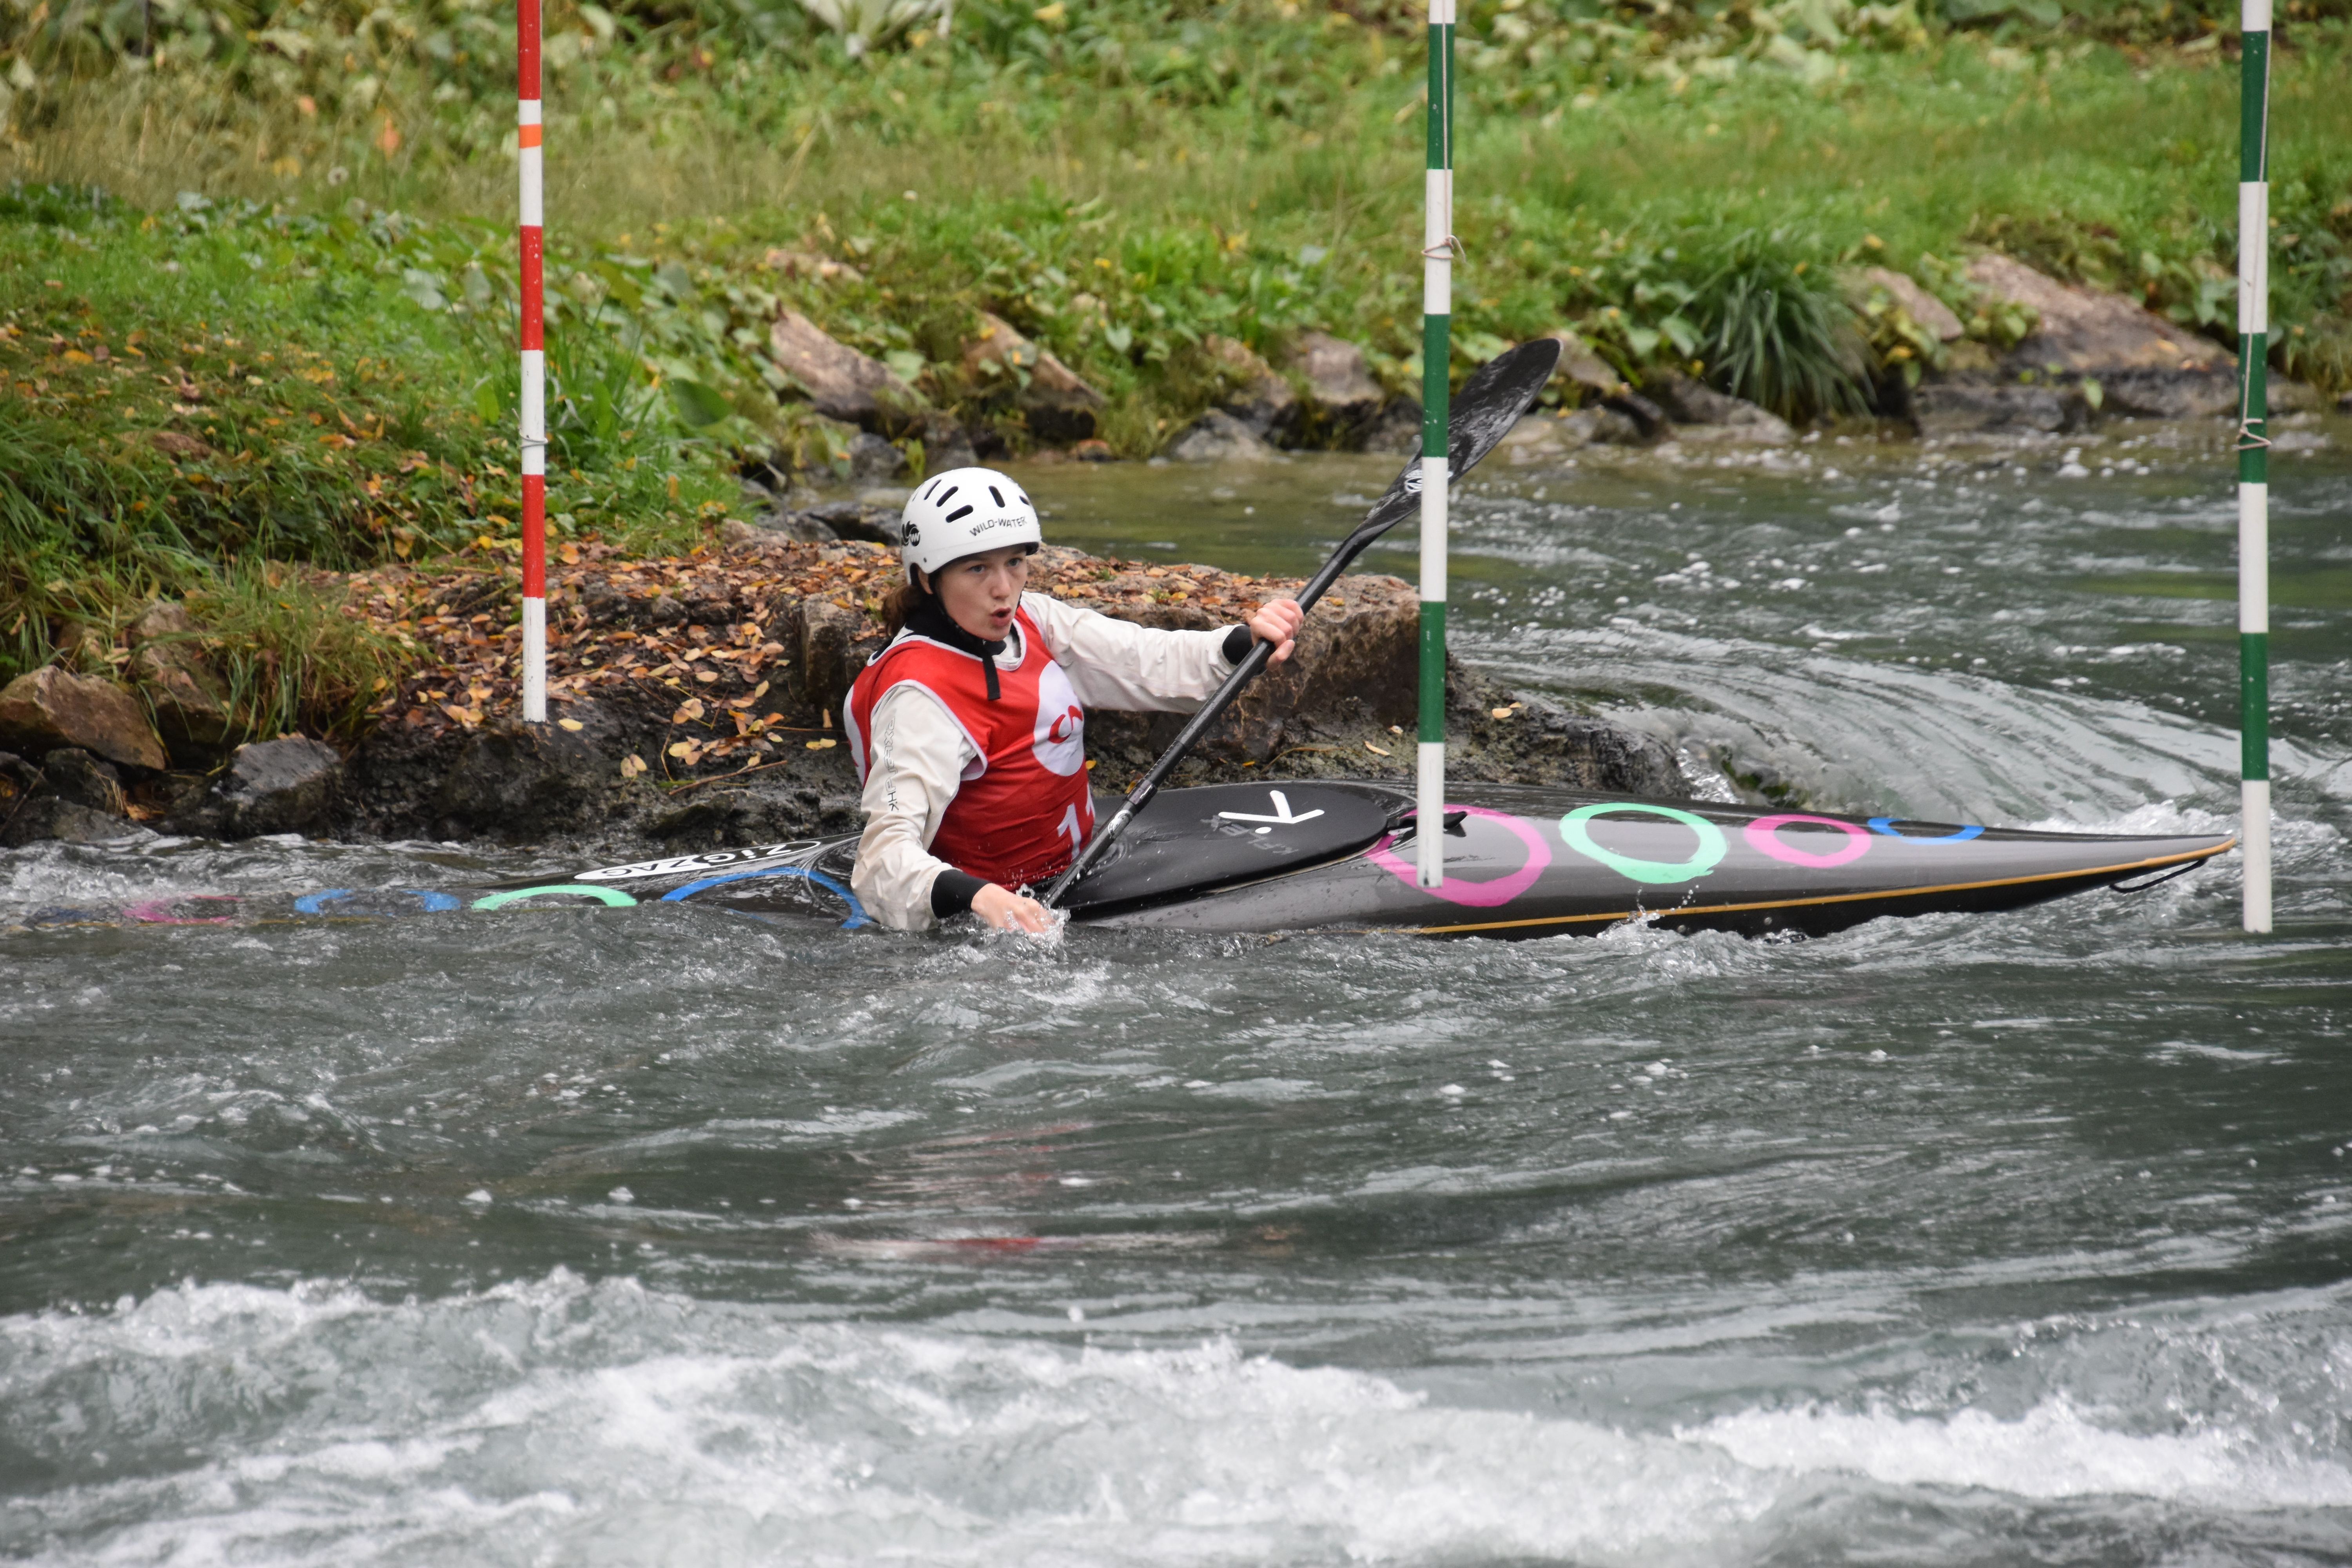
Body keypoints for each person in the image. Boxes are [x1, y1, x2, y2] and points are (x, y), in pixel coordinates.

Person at [846, 467, 1305, 934]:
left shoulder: (1031, 619)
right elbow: (883, 860)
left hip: (1080, 866)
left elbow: (1141, 659)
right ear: (927, 579)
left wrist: (1240, 645)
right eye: (977, 568)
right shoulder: (917, 697)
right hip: (984, 916)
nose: (1004, 588)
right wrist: (980, 896)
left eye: (1015, 562)